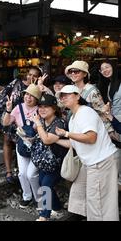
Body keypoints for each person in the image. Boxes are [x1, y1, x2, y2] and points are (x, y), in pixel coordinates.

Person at [54, 85, 119, 221]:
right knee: (80, 194)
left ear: (78, 96)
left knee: (98, 202)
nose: (63, 97)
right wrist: (56, 140)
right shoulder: (73, 118)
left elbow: (91, 137)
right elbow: (74, 143)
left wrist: (66, 133)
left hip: (101, 161)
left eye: (67, 94)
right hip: (91, 163)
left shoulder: (85, 112)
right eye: (62, 95)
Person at [0, 66, 42, 184]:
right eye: (30, 74)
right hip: (12, 116)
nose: (31, 77)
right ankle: (9, 172)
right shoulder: (17, 82)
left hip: (27, 122)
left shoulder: (38, 89)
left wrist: (41, 86)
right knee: (7, 141)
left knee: (23, 143)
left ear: (38, 78)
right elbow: (4, 95)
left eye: (35, 76)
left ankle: (20, 171)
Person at [2, 84, 41, 208]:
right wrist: (8, 109)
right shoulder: (18, 108)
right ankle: (27, 196)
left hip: (37, 146)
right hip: (22, 145)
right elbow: (6, 123)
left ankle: (38, 198)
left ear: (37, 99)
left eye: (32, 96)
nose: (28, 98)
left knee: (31, 174)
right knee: (22, 173)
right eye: (27, 94)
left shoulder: (41, 109)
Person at [31, 94, 68, 221]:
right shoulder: (42, 121)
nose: (42, 109)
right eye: (40, 106)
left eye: (46, 106)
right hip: (45, 161)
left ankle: (43, 216)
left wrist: (38, 124)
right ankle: (57, 208)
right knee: (43, 183)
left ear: (54, 108)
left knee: (46, 184)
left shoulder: (59, 122)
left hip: (58, 162)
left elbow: (47, 140)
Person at [65, 60, 115, 138]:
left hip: (91, 132)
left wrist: (109, 133)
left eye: (77, 71)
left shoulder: (92, 91)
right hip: (75, 130)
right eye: (71, 71)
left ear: (85, 74)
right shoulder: (70, 89)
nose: (73, 73)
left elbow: (101, 112)